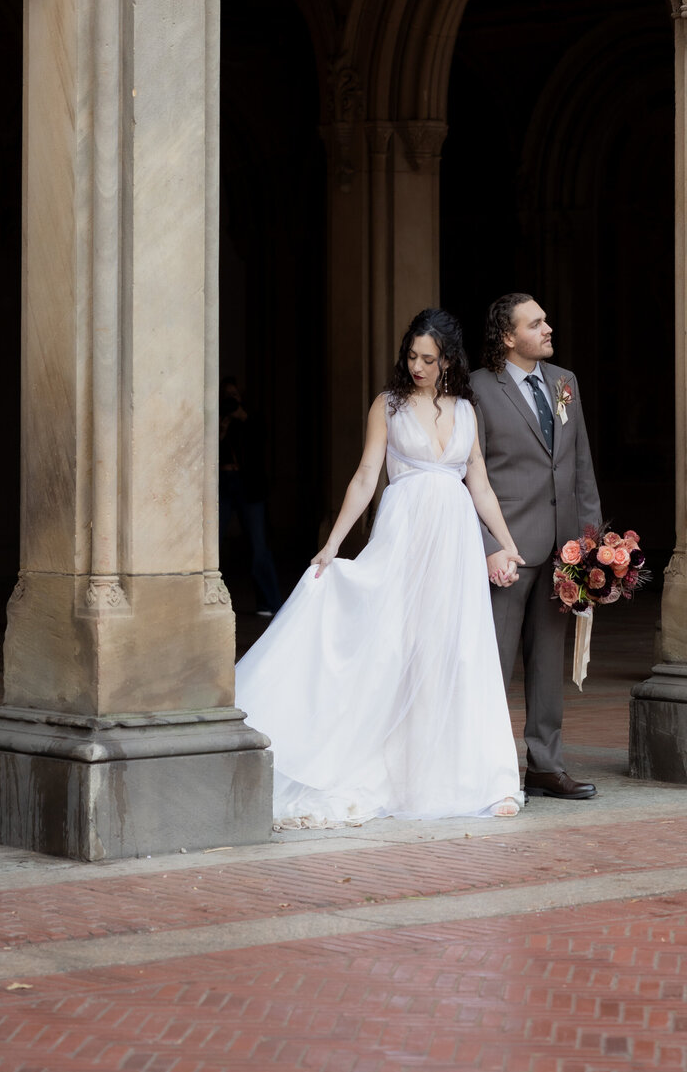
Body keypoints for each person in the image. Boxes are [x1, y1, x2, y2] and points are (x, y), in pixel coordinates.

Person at [234, 309, 526, 826]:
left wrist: (505, 544)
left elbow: (479, 483)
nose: (417, 365)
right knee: (395, 645)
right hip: (405, 536)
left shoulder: (466, 411)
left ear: (448, 361)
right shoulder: (387, 406)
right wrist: (333, 544)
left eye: (428, 359)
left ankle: (466, 777)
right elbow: (367, 475)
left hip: (454, 545)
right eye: (411, 356)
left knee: (454, 651)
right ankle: (385, 768)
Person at [471, 293, 602, 800]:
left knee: (548, 663)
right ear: (509, 336)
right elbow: (468, 476)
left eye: (546, 319)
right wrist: (487, 545)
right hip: (507, 550)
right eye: (537, 322)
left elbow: (580, 466)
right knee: (496, 661)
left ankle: (546, 766)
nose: (549, 328)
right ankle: (488, 768)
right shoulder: (479, 390)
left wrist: (589, 544)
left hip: (562, 551)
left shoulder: (565, 384)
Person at [219, 377, 283, 618]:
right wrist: (223, 425)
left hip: (249, 486)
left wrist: (242, 418)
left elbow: (260, 442)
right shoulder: (219, 419)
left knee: (259, 547)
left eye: (235, 395)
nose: (231, 400)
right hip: (223, 485)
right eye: (227, 396)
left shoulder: (251, 418)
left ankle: (272, 604)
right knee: (211, 545)